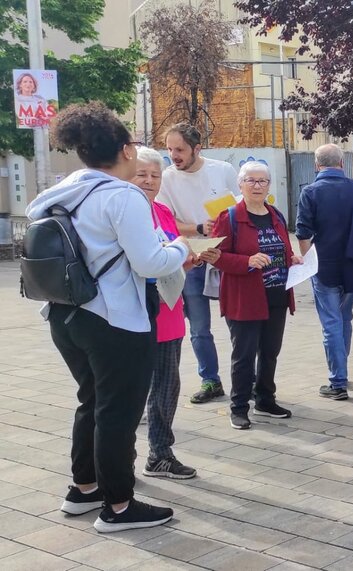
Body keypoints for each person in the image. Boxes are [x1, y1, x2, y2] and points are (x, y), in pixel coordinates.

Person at [30, 102, 189, 532]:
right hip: (113, 319)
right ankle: (118, 507)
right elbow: (150, 262)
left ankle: (84, 489)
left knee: (93, 401)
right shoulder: (122, 196)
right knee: (118, 412)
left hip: (65, 313)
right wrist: (181, 247)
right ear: (126, 149)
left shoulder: (63, 192)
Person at [210, 162, 301, 430]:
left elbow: (281, 249)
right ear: (240, 185)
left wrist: (292, 258)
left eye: (263, 181)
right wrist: (247, 261)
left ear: (269, 186)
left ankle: (265, 399)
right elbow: (214, 256)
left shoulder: (276, 215)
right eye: (251, 181)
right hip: (245, 298)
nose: (257, 186)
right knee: (244, 355)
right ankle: (238, 407)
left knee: (270, 352)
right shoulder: (229, 217)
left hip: (277, 296)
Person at [156, 123, 240, 405]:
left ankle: (246, 380)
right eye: (169, 149)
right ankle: (210, 380)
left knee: (238, 322)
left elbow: (239, 209)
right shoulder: (166, 179)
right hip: (191, 258)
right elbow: (167, 221)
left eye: (179, 149)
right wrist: (198, 228)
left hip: (224, 257)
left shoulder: (222, 170)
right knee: (199, 328)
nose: (173, 155)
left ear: (197, 149)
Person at [296, 144, 353, 401]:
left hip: (324, 267)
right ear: (342, 163)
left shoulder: (310, 192)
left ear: (316, 165)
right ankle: (341, 372)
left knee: (331, 323)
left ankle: (337, 381)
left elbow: (303, 233)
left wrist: (308, 262)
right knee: (345, 319)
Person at [132, 146, 197, 480]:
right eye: (141, 174)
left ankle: (159, 453)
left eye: (155, 175)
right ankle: (121, 459)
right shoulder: (127, 213)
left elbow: (172, 259)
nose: (149, 180)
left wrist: (191, 258)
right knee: (133, 390)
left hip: (169, 311)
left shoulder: (162, 211)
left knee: (167, 387)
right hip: (137, 313)